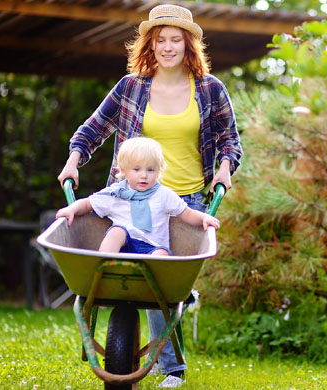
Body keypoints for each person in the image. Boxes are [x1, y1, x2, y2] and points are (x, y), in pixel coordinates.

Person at [56, 3, 242, 388]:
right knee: (147, 279)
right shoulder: (131, 87)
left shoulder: (209, 89)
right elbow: (93, 128)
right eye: (161, 40)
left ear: (189, 44)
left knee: (162, 280)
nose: (168, 47)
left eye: (176, 40)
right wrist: (74, 160)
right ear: (151, 44)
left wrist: (225, 168)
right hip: (130, 199)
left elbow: (230, 142)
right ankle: (171, 347)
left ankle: (171, 369)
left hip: (187, 198)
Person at [55, 137, 219, 255]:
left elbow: (187, 213)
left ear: (158, 171)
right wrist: (72, 209)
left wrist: (204, 218)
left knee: (162, 254)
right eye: (137, 169)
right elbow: (87, 204)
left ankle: (155, 289)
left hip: (152, 249)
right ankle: (102, 265)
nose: (144, 176)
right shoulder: (116, 193)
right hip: (122, 248)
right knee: (117, 231)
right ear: (124, 171)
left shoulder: (163, 194)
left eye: (150, 170)